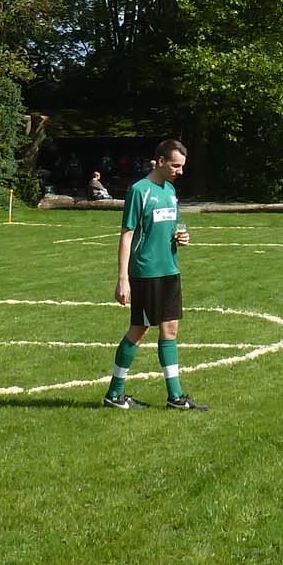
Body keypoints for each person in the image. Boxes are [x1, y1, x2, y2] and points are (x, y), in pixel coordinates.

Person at [103, 139, 207, 411]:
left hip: (170, 269)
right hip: (146, 272)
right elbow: (127, 236)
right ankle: (114, 394)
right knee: (139, 330)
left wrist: (182, 237)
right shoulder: (140, 191)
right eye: (175, 165)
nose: (180, 171)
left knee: (170, 330)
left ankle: (176, 396)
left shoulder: (170, 190)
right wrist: (123, 279)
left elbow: (174, 225)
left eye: (182, 166)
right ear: (160, 161)